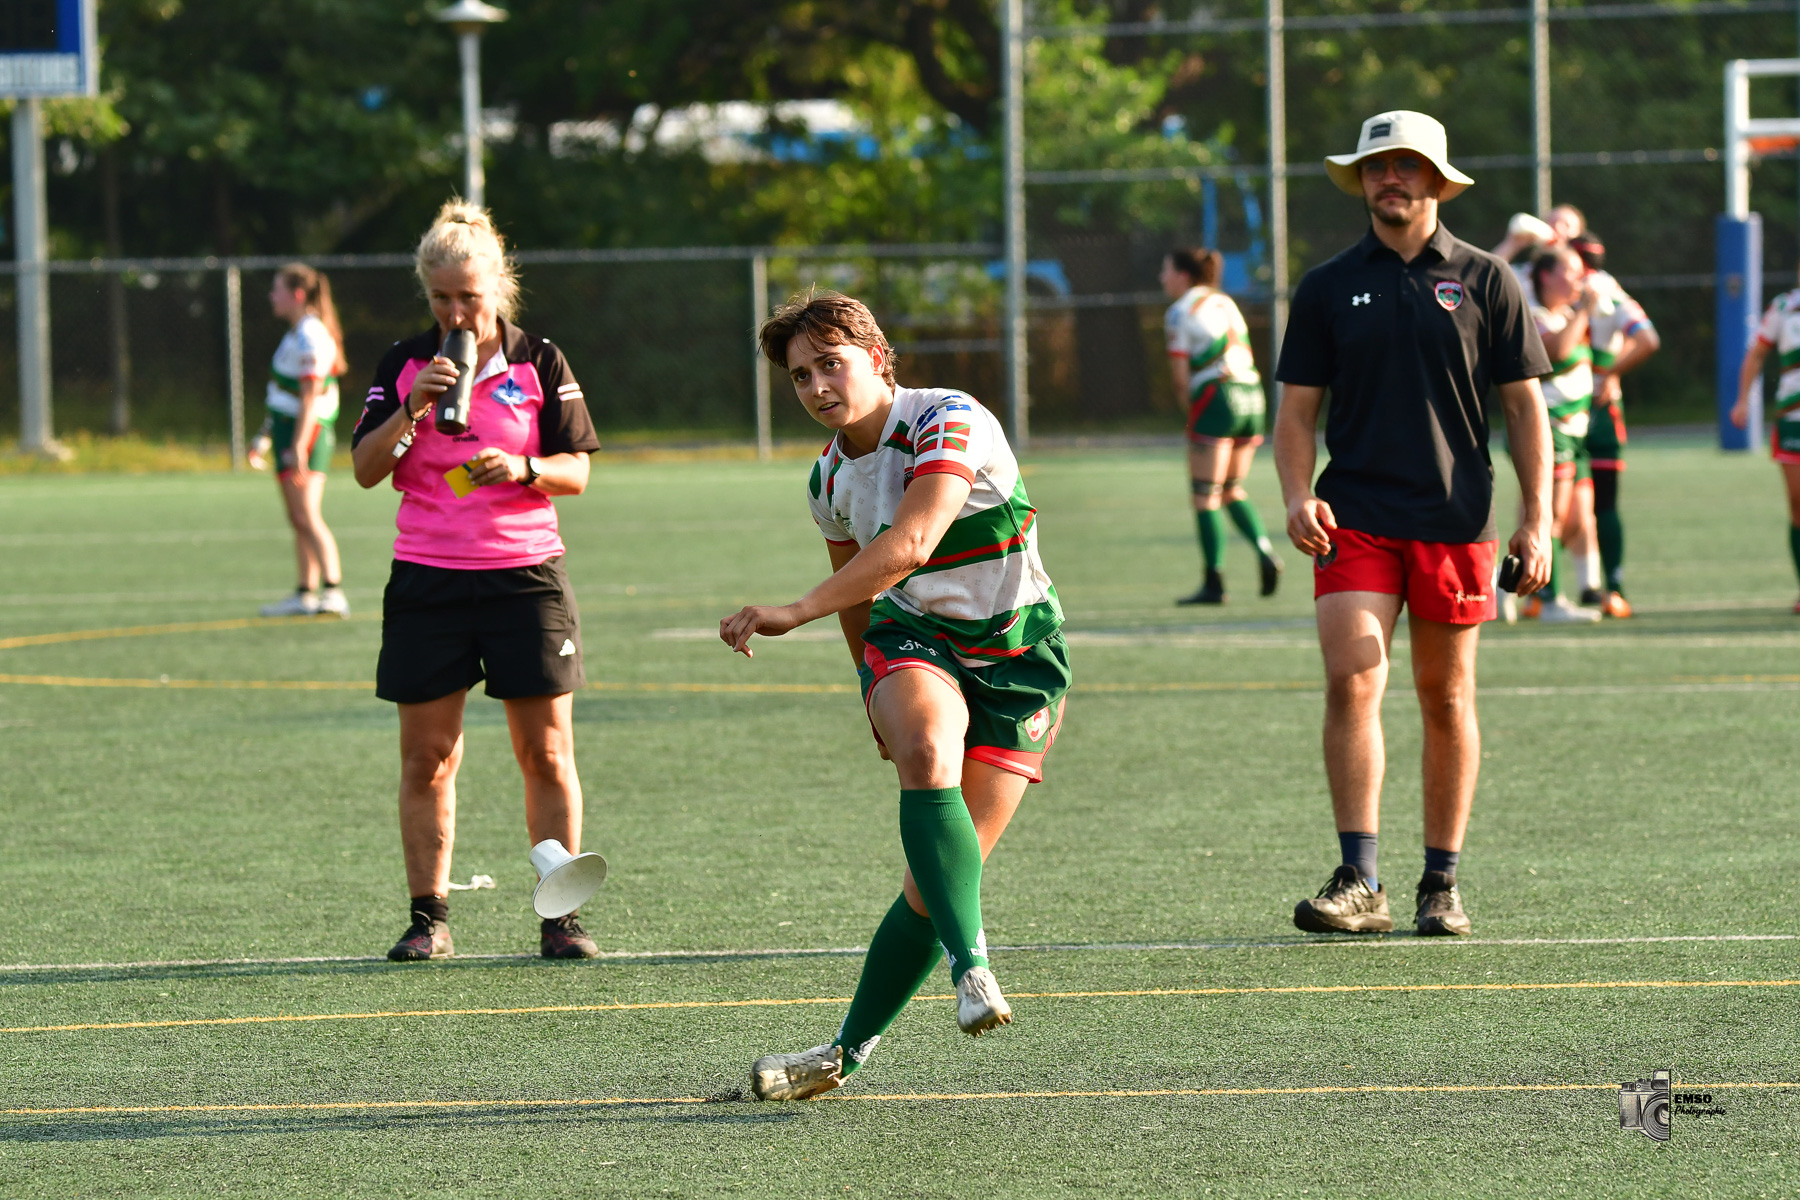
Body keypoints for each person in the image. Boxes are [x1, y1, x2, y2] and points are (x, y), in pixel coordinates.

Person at [720, 289, 1070, 1101]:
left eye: (829, 363)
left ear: (877, 358)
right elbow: (861, 594)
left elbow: (910, 542)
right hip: (915, 638)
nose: (815, 387)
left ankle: (845, 1053)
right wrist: (864, 685)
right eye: (800, 376)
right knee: (922, 747)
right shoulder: (828, 477)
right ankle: (974, 967)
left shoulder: (949, 419)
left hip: (1021, 656)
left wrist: (791, 610)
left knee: (933, 881)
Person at [1272, 111, 1553, 938]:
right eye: (1375, 167)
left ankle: (1442, 882)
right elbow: (1295, 415)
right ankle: (1361, 878)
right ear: (1360, 180)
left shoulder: (1487, 278)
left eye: (1405, 166)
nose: (1388, 179)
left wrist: (1537, 521)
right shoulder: (1326, 285)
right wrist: (1295, 494)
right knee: (1354, 677)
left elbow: (1525, 410)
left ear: (1436, 180)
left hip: (1455, 519)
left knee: (1445, 694)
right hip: (1352, 516)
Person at [350, 200, 604, 962]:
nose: (457, 312)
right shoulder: (405, 362)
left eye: (470, 296)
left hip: (524, 578)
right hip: (427, 578)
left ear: (500, 285)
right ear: (426, 294)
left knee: (547, 752)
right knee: (429, 756)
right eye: (442, 299)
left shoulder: (540, 360)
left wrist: (525, 465)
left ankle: (560, 917)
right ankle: (429, 917)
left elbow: (578, 470)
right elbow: (365, 470)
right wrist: (409, 409)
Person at [1159, 247, 1281, 604]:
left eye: (1166, 270)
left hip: (1218, 397)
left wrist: (1190, 411)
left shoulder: (1180, 311)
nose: (1162, 278)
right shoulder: (1225, 301)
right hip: (1252, 395)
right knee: (1231, 489)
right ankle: (1264, 550)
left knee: (1204, 495)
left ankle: (1214, 583)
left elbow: (1181, 379)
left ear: (1183, 275)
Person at [1566, 233, 1658, 617]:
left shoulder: (1555, 287)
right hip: (1602, 410)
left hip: (1565, 408)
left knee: (1553, 503)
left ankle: (1542, 595)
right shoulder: (1611, 290)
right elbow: (1648, 339)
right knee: (1604, 503)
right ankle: (1614, 589)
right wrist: (1612, 373)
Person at [259, 264, 350, 618]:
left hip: (306, 433)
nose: (272, 295)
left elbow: (310, 397)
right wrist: (265, 435)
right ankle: (305, 592)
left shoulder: (311, 334)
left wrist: (299, 444)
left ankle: (333, 589)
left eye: (277, 288)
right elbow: (284, 391)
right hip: (287, 430)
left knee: (308, 515)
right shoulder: (295, 333)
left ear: (297, 294)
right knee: (297, 517)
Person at [1521, 246, 1604, 624]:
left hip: (1575, 431)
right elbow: (1556, 351)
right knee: (1550, 515)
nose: (1578, 278)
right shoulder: (1533, 316)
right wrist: (1585, 310)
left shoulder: (1568, 314)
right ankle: (1545, 600)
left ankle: (1509, 579)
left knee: (1578, 518)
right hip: (1548, 429)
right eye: (1569, 271)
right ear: (1545, 276)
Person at [1733, 262, 1800, 613]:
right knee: (1797, 504)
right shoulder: (1784, 306)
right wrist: (1743, 400)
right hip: (1792, 420)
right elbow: (1757, 354)